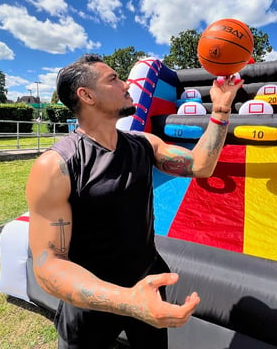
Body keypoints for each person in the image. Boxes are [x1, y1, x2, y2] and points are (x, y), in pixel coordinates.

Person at [26, 54, 243, 349]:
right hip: (90, 301)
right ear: (86, 95)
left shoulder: (144, 143)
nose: (127, 84)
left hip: (147, 282)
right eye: (113, 79)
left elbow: (201, 165)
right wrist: (127, 300)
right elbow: (47, 264)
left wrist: (220, 109)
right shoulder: (57, 165)